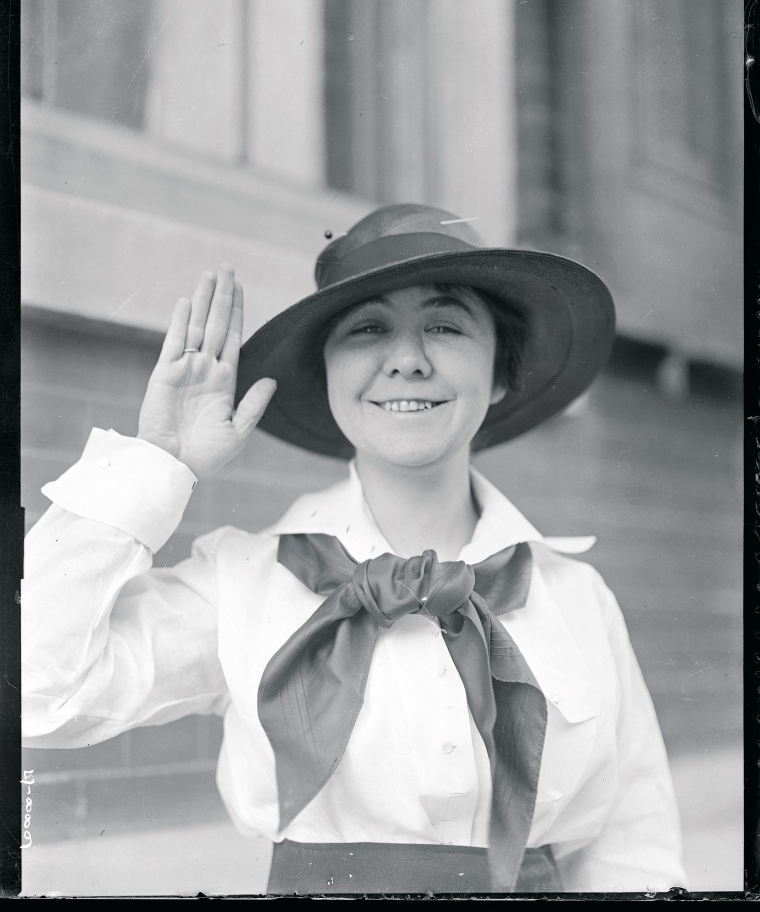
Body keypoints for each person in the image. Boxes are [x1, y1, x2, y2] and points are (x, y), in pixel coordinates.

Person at [21, 203, 687, 895]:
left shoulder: (576, 597)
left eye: (445, 325)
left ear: (498, 374)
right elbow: (35, 692)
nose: (406, 360)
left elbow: (633, 848)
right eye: (369, 328)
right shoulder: (245, 582)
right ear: (330, 376)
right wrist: (159, 463)